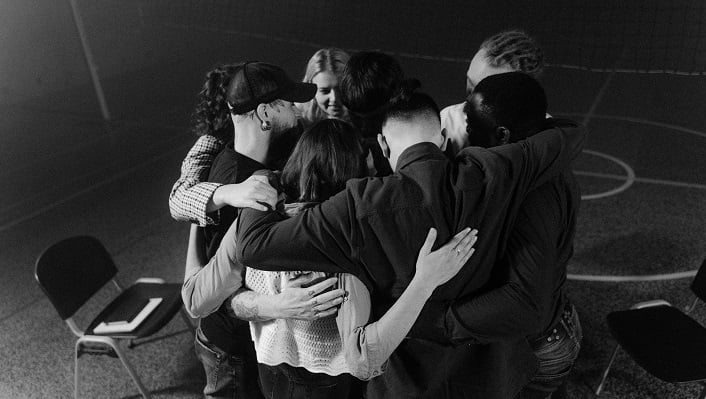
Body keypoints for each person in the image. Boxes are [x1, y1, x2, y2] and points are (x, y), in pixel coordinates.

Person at [228, 81, 586, 398]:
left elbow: (254, 246)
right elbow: (566, 135)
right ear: (444, 139)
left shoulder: (359, 204)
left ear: (382, 144)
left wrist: (263, 180)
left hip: (407, 383)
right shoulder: (493, 173)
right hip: (487, 377)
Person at [237, 119, 476, 398]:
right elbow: (363, 360)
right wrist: (426, 280)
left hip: (270, 369)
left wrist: (270, 305)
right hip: (327, 381)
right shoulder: (342, 241)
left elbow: (205, 296)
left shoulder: (255, 211)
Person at [410, 72, 582, 399]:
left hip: (539, 346)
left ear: (502, 134)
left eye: (472, 127)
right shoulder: (536, 162)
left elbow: (526, 304)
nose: (465, 136)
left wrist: (436, 322)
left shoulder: (534, 195)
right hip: (546, 331)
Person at [181, 61, 331, 399]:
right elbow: (214, 296)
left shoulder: (261, 157)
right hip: (231, 348)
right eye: (289, 104)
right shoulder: (239, 185)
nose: (298, 110)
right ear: (264, 113)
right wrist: (279, 304)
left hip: (255, 338)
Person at [168, 48, 352, 227]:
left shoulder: (289, 122)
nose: (294, 108)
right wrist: (226, 193)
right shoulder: (216, 142)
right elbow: (178, 199)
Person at [441, 29, 544, 155]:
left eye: (483, 90)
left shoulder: (546, 142)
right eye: (469, 81)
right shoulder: (447, 122)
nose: (470, 99)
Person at [296, 48, 350, 123]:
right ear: (310, 89)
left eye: (341, 89)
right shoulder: (297, 118)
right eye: (325, 91)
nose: (334, 98)